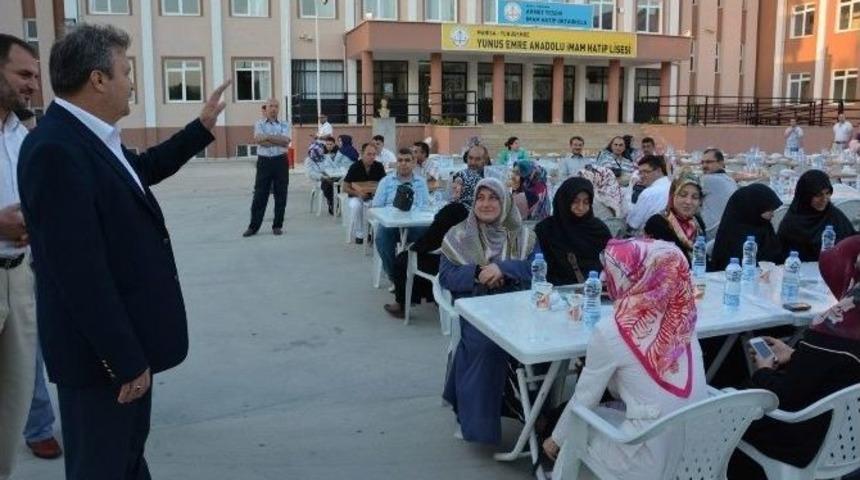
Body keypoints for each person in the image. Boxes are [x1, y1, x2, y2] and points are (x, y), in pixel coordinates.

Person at [18, 24, 228, 480]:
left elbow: (143, 170)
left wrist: (201, 128)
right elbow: (78, 274)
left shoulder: (92, 138)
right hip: (101, 362)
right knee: (102, 467)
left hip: (126, 348)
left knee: (127, 461)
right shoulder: (56, 149)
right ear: (98, 79)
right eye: (126, 71)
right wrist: (124, 359)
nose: (132, 82)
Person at [543, 238, 707, 480]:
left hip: (647, 459)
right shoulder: (683, 319)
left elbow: (584, 399)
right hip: (699, 451)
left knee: (575, 433)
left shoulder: (611, 330)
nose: (606, 277)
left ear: (640, 276)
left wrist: (555, 440)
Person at [728, 235, 860, 479]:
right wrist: (798, 355)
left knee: (728, 402)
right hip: (850, 440)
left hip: (806, 441)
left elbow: (786, 396)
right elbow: (835, 371)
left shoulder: (834, 329)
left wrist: (763, 371)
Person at [441, 177, 537, 444]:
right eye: (480, 198)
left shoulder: (525, 236)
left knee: (544, 349)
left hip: (519, 308)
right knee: (486, 346)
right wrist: (477, 274)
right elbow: (446, 276)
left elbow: (538, 269)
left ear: (505, 201)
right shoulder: (458, 235)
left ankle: (537, 419)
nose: (486, 204)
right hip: (477, 307)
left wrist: (504, 269)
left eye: (493, 197)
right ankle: (476, 423)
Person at [0, 33, 40, 480]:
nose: (32, 85)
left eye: (35, 76)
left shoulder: (20, 133)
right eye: (23, 74)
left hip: (21, 278)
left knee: (13, 403)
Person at [383, 168, 481, 318]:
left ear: (470, 187)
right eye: (454, 181)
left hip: (449, 263)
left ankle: (402, 304)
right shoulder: (478, 210)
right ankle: (434, 298)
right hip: (469, 262)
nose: (454, 186)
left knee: (403, 258)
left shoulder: (454, 210)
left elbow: (432, 240)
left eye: (460, 183)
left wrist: (413, 248)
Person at [535, 177, 611, 285]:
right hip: (556, 293)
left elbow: (611, 264)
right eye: (575, 201)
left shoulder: (598, 230)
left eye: (586, 202)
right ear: (564, 201)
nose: (581, 207)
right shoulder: (546, 229)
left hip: (594, 292)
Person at [372, 148, 430, 281]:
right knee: (382, 236)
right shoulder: (386, 182)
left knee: (435, 234)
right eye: (400, 160)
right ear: (396, 163)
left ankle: (423, 278)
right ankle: (396, 278)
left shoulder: (421, 182)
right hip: (392, 226)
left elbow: (426, 206)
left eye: (407, 160)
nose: (403, 163)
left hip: (415, 226)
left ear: (414, 163)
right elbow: (376, 207)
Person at [778, 169, 855, 261]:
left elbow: (851, 241)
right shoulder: (791, 223)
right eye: (818, 195)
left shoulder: (833, 215)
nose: (824, 199)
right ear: (806, 196)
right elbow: (783, 258)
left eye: (827, 193)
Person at [243, 97, 291, 237]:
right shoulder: (259, 123)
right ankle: (253, 227)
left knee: (281, 194)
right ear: (266, 108)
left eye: (276, 106)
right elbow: (258, 140)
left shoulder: (284, 124)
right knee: (259, 195)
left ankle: (277, 225)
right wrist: (276, 139)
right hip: (264, 162)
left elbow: (286, 141)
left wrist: (267, 137)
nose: (274, 109)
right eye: (271, 106)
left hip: (280, 162)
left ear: (278, 108)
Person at [710, 184, 784, 271]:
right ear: (755, 207)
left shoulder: (765, 227)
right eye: (769, 209)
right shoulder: (734, 234)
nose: (773, 214)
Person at [653, 173, 706, 260]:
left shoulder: (697, 222)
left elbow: (702, 259)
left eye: (695, 197)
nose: (688, 202)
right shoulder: (658, 222)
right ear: (672, 196)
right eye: (683, 195)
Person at [343, 142, 386, 244]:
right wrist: (358, 194)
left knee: (375, 206)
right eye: (369, 154)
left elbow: (385, 185)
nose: (372, 157)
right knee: (356, 206)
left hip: (374, 196)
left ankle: (372, 232)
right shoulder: (355, 167)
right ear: (362, 154)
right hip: (356, 195)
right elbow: (345, 187)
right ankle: (360, 234)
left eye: (374, 154)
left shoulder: (379, 166)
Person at [700, 147, 738, 238]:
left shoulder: (708, 180)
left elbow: (681, 187)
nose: (704, 165)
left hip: (712, 232)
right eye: (703, 162)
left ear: (721, 163)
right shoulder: (729, 179)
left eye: (709, 162)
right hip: (729, 229)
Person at [626, 155, 670, 233]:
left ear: (659, 171)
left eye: (646, 172)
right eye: (640, 173)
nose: (642, 176)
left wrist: (629, 190)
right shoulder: (672, 185)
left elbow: (632, 224)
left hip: (650, 239)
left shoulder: (648, 193)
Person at [304, 138, 336, 215]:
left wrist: (330, 173)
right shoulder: (309, 160)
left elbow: (334, 167)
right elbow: (310, 174)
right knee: (328, 184)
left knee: (339, 183)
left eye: (321, 149)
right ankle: (332, 203)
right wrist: (322, 176)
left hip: (331, 176)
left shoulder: (326, 157)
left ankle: (337, 202)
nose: (320, 151)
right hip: (319, 180)